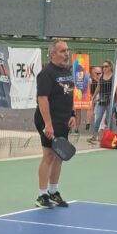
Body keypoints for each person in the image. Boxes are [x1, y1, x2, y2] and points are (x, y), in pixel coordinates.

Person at [34, 39, 76, 208]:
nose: (66, 53)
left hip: (63, 120)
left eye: (67, 50)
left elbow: (69, 95)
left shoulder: (67, 72)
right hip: (47, 120)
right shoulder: (46, 74)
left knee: (59, 155)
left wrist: (72, 114)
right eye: (62, 51)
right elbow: (42, 99)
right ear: (52, 54)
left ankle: (53, 192)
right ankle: (41, 195)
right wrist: (48, 124)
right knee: (49, 155)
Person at [87, 60, 115, 142]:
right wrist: (93, 98)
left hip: (110, 100)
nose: (104, 68)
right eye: (103, 67)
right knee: (98, 118)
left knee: (109, 119)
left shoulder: (114, 76)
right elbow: (98, 87)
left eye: (106, 66)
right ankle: (94, 136)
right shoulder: (101, 76)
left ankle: (109, 137)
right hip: (101, 100)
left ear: (110, 67)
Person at [86, 66, 100, 132]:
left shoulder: (101, 80)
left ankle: (96, 124)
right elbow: (88, 88)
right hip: (92, 96)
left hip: (99, 96)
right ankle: (88, 123)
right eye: (97, 73)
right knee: (90, 108)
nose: (98, 74)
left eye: (99, 73)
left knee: (97, 111)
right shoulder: (90, 80)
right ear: (93, 72)